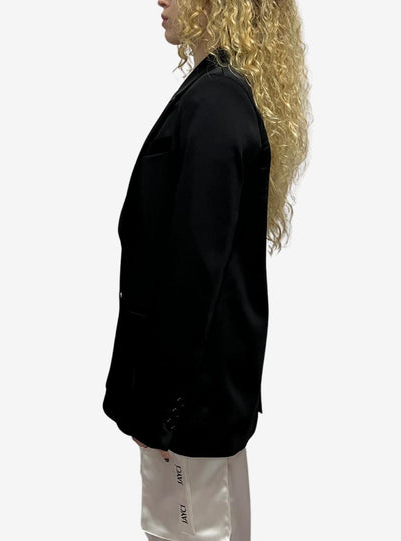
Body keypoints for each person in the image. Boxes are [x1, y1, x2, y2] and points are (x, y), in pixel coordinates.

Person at [102, 0, 311, 539]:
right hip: (194, 403)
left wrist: (160, 415)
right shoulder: (216, 95)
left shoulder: (216, 104)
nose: (161, 0)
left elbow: (194, 278)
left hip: (189, 411)